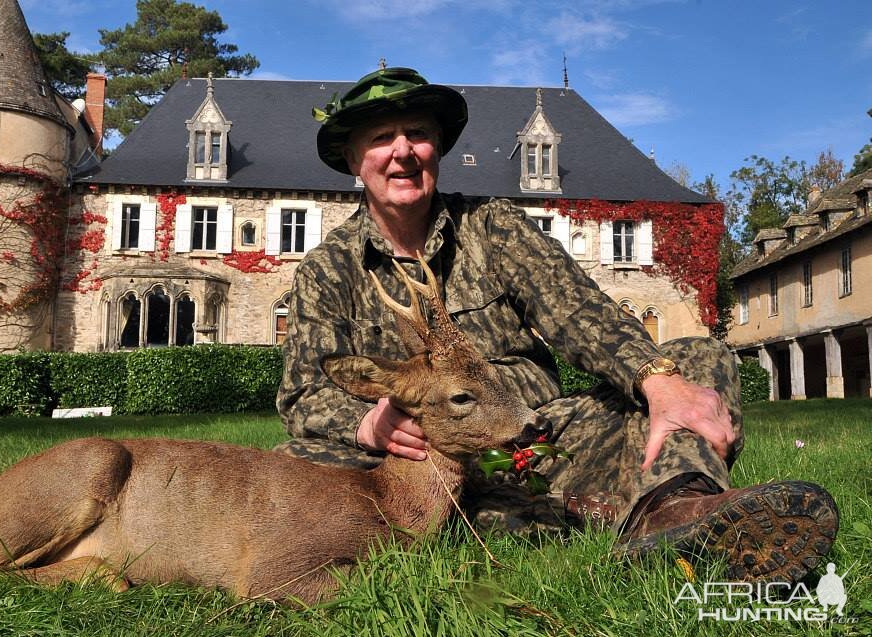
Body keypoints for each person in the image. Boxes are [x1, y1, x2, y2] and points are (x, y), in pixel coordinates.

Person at [275, 67, 838, 584]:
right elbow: (303, 395)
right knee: (297, 460)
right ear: (353, 160)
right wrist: (367, 426)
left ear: (438, 147)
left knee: (695, 360)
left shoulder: (493, 226)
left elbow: (578, 313)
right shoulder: (329, 270)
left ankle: (679, 511)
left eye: (417, 133)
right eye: (379, 139)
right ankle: (587, 511)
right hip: (414, 465)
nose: (402, 152)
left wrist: (656, 379)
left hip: (535, 440)